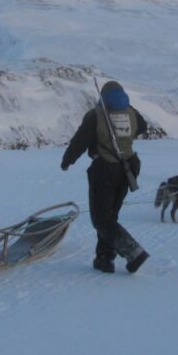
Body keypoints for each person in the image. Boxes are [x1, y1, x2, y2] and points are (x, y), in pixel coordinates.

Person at [61, 80, 150, 274]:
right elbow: (143, 128)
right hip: (128, 170)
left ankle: (133, 252)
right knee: (110, 216)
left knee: (102, 220)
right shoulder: (132, 112)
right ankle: (104, 259)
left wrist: (67, 160)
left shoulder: (96, 115)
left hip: (104, 170)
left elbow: (79, 141)